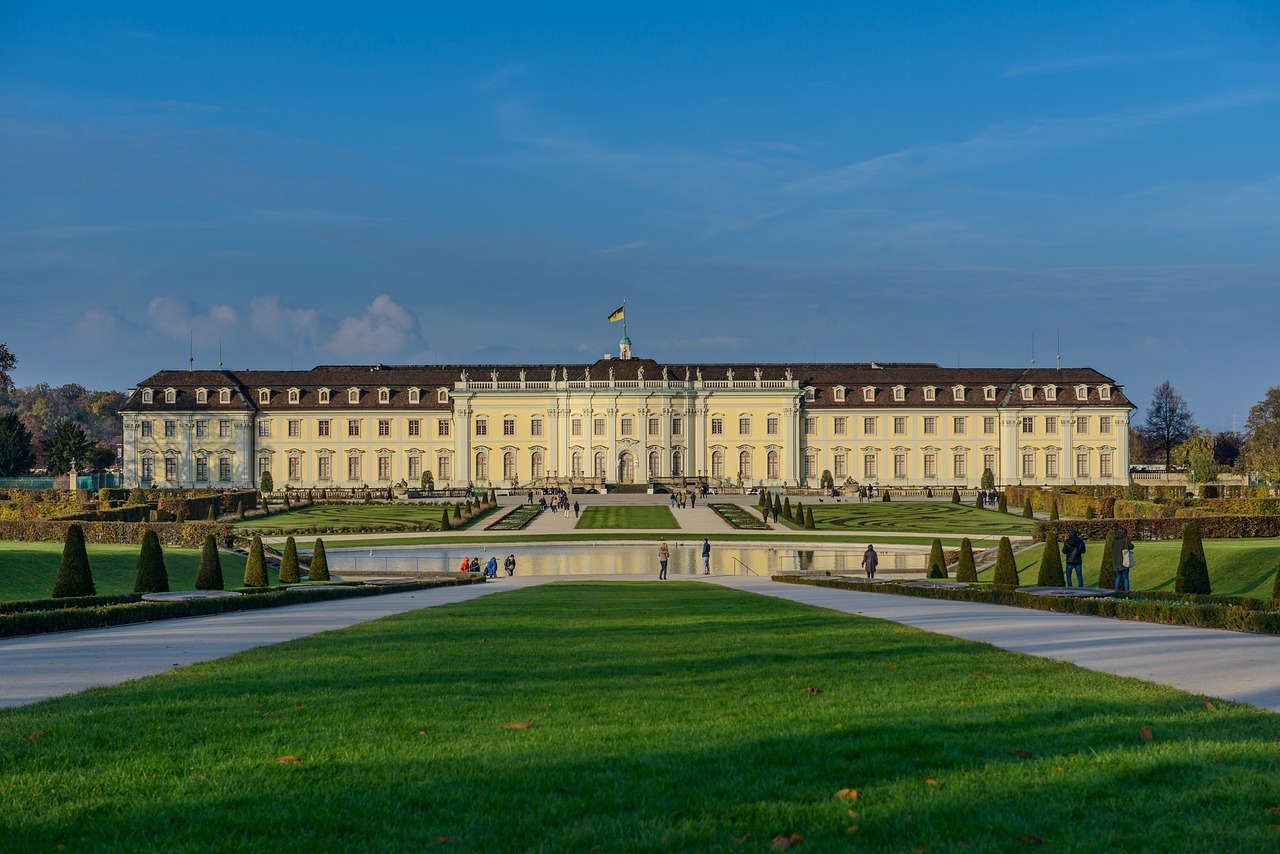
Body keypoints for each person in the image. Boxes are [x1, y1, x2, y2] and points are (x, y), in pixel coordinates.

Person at [1112, 526, 1134, 592]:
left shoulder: (1114, 539)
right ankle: (1127, 592)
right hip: (1124, 559)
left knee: (1118, 577)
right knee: (1125, 577)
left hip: (1116, 560)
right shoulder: (1125, 538)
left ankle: (1116, 591)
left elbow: (1112, 549)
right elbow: (1131, 547)